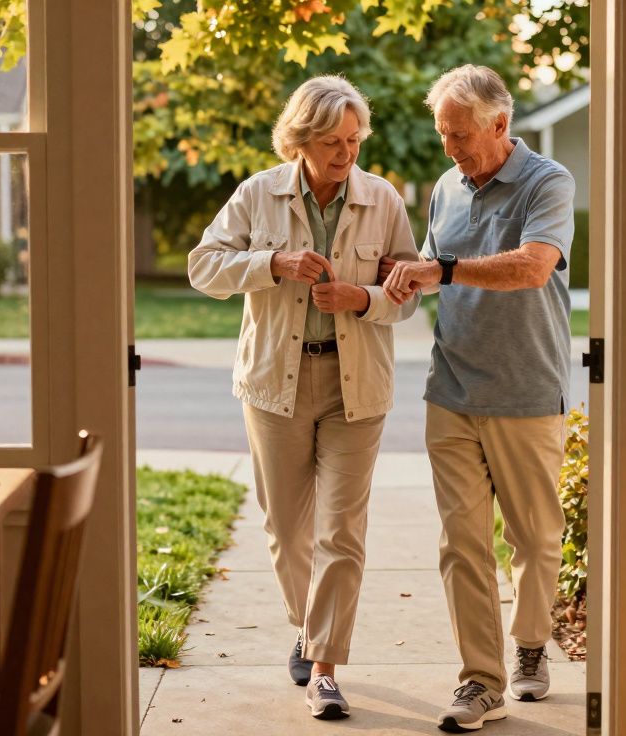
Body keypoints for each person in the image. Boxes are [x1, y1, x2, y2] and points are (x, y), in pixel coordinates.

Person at [188, 75, 419, 721]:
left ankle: (324, 667)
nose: (345, 154)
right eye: (331, 142)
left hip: (357, 385)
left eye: (352, 140)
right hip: (274, 385)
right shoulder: (258, 194)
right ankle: (309, 623)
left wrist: (364, 298)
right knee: (288, 531)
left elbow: (410, 293)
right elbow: (202, 266)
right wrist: (272, 265)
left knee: (341, 531)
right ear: (300, 139)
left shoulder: (383, 200)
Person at [381, 64, 576, 733]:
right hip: (452, 387)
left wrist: (445, 270)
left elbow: (533, 266)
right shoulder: (445, 188)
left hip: (525, 388)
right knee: (462, 543)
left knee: (533, 538)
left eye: (460, 134)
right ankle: (480, 680)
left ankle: (529, 647)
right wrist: (398, 283)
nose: (450, 148)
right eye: (443, 134)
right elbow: (437, 272)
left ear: (499, 124)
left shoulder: (547, 182)